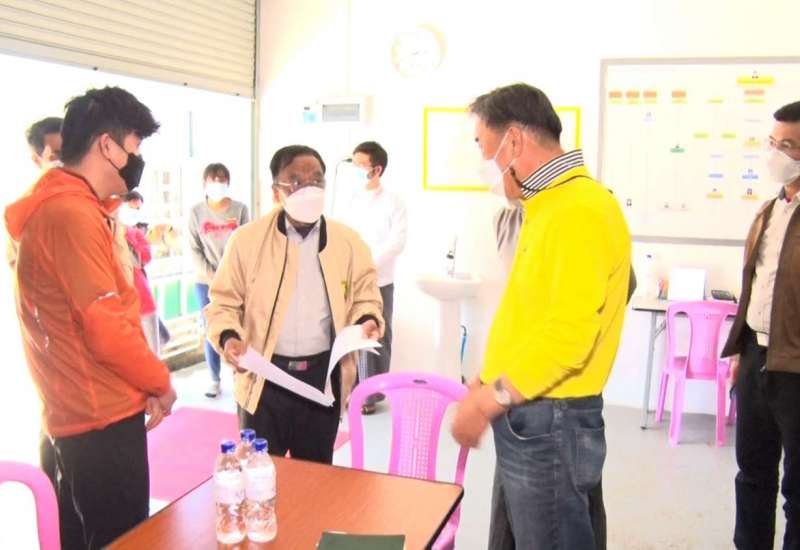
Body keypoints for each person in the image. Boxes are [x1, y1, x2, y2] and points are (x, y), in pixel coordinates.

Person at [450, 83, 631, 549]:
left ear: (513, 141)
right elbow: (532, 314)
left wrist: (488, 401)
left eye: (483, 146)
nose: (483, 162)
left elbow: (568, 337)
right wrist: (488, 378)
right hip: (530, 411)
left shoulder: (579, 209)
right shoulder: (546, 204)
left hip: (552, 419)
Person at [4, 86, 177, 550]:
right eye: (134, 147)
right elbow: (105, 327)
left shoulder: (71, 209)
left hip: (81, 411)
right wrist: (160, 382)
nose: (137, 161)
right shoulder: (70, 215)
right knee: (122, 539)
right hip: (98, 421)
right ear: (107, 146)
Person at [205, 145, 383, 464]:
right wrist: (229, 339)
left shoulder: (348, 242)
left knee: (317, 480)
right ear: (277, 191)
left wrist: (367, 319)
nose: (309, 189)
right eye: (297, 181)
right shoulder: (247, 241)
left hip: (321, 381)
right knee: (259, 476)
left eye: (316, 180)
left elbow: (365, 294)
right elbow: (222, 303)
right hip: (263, 380)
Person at [721, 100, 800, 550]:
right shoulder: (768, 212)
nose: (775, 153)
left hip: (796, 368)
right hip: (755, 357)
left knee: (798, 489)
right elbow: (752, 285)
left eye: (787, 146)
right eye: (773, 142)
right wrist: (739, 350)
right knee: (752, 474)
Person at [338, 141, 407, 414]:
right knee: (350, 336)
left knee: (375, 336)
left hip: (379, 280)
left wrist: (367, 265)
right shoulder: (349, 200)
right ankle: (350, 391)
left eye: (360, 165)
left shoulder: (394, 202)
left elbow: (396, 242)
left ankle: (370, 396)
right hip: (348, 281)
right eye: (352, 163)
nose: (354, 169)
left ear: (377, 170)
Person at [188, 163, 249, 398]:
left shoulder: (240, 209)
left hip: (236, 281)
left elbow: (247, 245)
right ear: (204, 183)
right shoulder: (196, 212)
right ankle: (214, 379)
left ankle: (239, 376)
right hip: (206, 281)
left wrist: (231, 276)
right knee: (212, 329)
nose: (217, 183)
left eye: (222, 179)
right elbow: (194, 249)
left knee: (238, 328)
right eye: (213, 179)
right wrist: (214, 277)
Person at [119, 191, 160, 354]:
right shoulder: (108, 232)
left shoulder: (136, 232)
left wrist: (124, 238)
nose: (135, 213)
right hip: (122, 305)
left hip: (143, 301)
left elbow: (140, 259)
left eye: (138, 209)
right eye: (131, 208)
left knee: (153, 353)